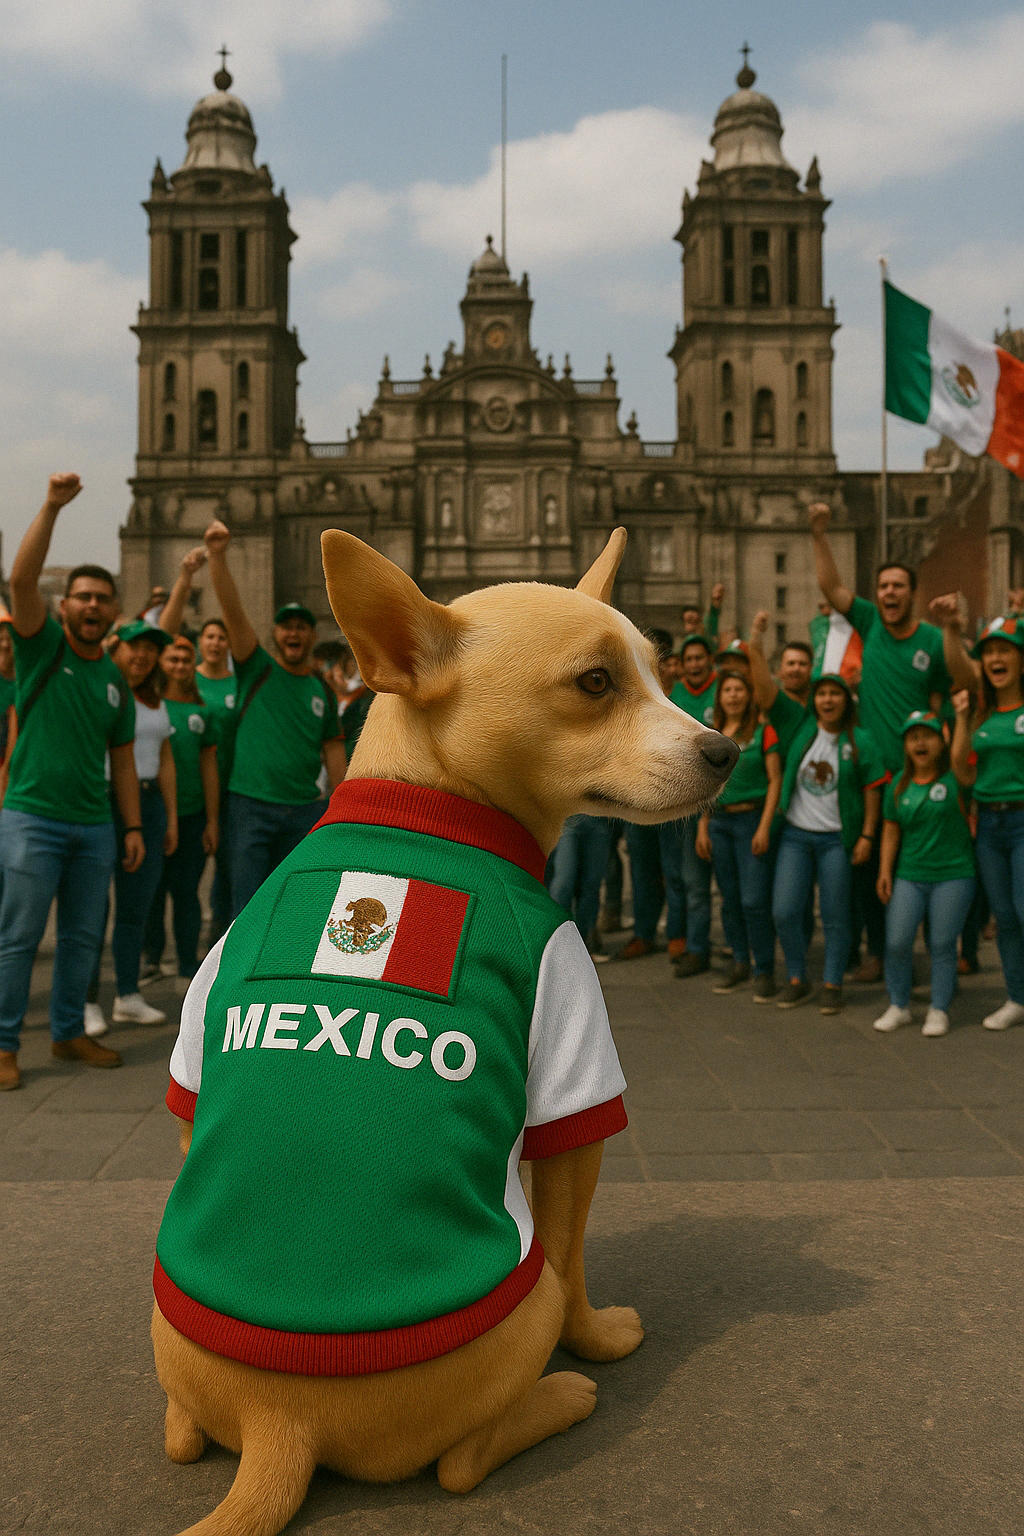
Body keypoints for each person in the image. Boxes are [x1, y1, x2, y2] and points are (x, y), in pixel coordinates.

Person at [0, 474, 141, 1087]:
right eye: (81, 597)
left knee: (85, 940)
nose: (90, 605)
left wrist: (131, 825)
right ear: (64, 608)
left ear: (114, 611)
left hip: (94, 826)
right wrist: (52, 506)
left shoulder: (115, 679)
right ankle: (4, 1045)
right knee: (20, 937)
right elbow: (22, 580)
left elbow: (125, 760)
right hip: (32, 816)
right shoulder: (40, 647)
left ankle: (67, 1035)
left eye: (101, 599)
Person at [808, 501, 972, 983]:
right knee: (872, 870)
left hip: (922, 773)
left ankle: (955, 949)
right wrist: (819, 534)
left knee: (933, 864)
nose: (889, 593)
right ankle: (881, 952)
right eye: (883, 587)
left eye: (898, 586)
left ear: (913, 594)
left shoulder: (929, 639)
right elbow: (832, 588)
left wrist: (954, 633)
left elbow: (963, 680)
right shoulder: (869, 622)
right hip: (873, 776)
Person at [204, 520, 347, 916]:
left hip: (303, 810)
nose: (294, 634)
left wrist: (344, 807)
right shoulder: (257, 668)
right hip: (251, 808)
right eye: (287, 627)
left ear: (312, 637)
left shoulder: (320, 690)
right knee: (245, 910)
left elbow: (333, 753)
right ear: (275, 633)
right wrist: (218, 556)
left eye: (302, 628)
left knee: (294, 908)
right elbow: (232, 609)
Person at [771, 674, 887, 1012]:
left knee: (836, 916)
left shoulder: (861, 739)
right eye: (821, 693)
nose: (828, 700)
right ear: (814, 700)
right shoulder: (801, 727)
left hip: (837, 841)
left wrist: (867, 834)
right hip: (795, 835)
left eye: (835, 693)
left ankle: (833, 982)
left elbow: (872, 791)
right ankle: (797, 977)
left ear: (846, 700)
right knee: (785, 910)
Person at [87, 620, 178, 1032]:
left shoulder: (156, 700)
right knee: (90, 908)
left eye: (150, 648)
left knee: (134, 908)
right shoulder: (99, 688)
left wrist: (172, 818)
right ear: (115, 648)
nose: (141, 655)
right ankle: (86, 1001)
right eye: (133, 647)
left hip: (150, 804)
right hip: (103, 799)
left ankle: (127, 994)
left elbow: (165, 760)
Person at [873, 711, 976, 1037]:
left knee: (944, 944)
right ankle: (899, 1005)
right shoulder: (899, 784)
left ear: (941, 742)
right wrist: (885, 871)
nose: (920, 742)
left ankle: (939, 1008)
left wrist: (960, 716)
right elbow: (890, 832)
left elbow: (962, 756)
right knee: (898, 941)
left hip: (953, 874)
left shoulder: (954, 778)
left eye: (927, 735)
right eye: (913, 736)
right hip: (910, 874)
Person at [951, 615, 1024, 1030]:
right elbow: (963, 773)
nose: (995, 659)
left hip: (1022, 819)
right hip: (990, 828)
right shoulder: (982, 714)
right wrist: (961, 719)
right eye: (989, 652)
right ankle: (1017, 997)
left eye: (1004, 650)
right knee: (1005, 916)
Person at [695, 669, 781, 997]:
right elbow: (709, 783)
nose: (733, 695)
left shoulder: (764, 731)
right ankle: (740, 961)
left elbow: (775, 780)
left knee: (754, 900)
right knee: (729, 899)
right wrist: (703, 827)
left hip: (752, 821)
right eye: (727, 689)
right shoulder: (712, 732)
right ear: (720, 697)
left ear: (749, 695)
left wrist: (765, 826)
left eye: (739, 689)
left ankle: (765, 969)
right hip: (720, 823)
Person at [142, 636, 219, 989]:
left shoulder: (202, 713)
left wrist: (212, 820)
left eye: (187, 659)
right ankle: (152, 959)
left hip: (193, 817)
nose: (180, 665)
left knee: (186, 893)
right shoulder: (151, 706)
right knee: (153, 891)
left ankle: (188, 962)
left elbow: (209, 769)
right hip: (155, 813)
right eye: (173, 659)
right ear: (162, 663)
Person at [616, 629, 686, 960]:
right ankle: (643, 932)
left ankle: (678, 933)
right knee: (642, 870)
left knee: (675, 870)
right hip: (639, 795)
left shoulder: (685, 695)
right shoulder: (633, 691)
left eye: (664, 660)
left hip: (678, 797)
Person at [671, 634, 716, 725]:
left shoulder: (723, 688)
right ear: (682, 664)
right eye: (688, 659)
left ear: (710, 659)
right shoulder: (674, 693)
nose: (694, 665)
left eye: (698, 658)